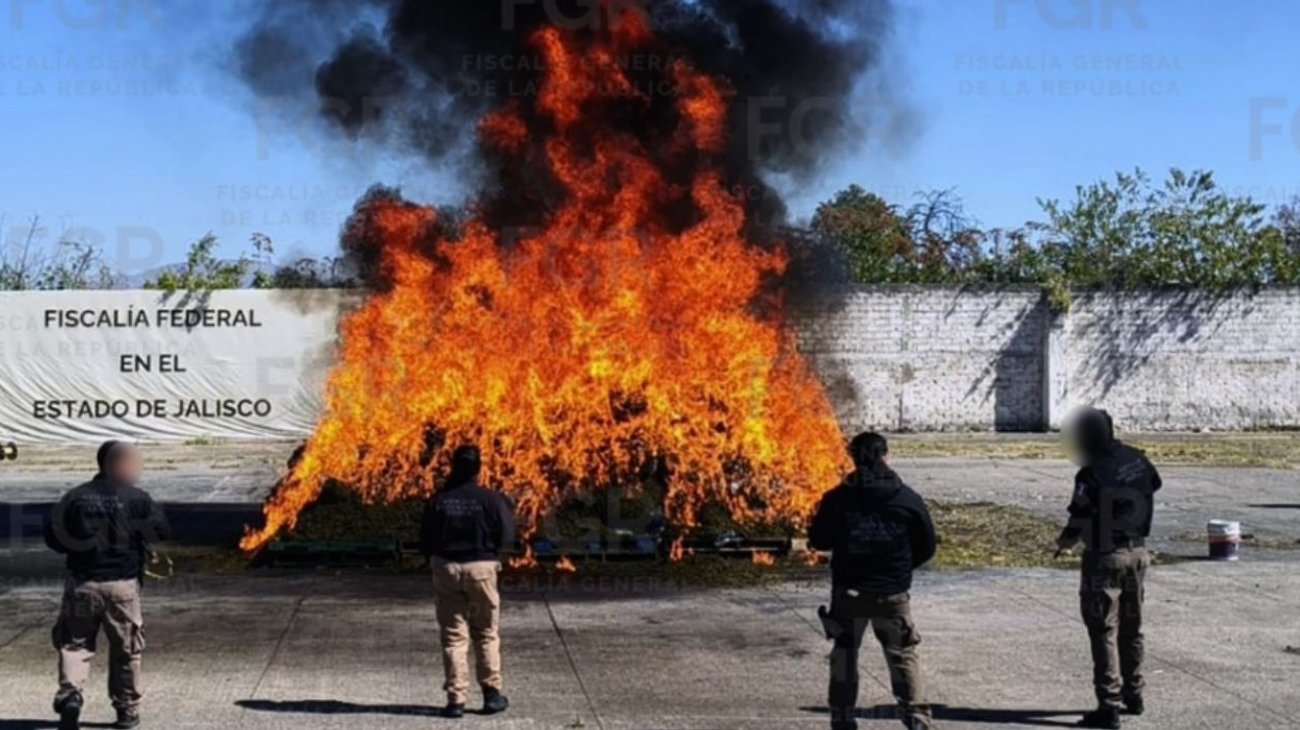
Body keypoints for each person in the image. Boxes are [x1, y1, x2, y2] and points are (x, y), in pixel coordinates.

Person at [809, 432, 938, 730]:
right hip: (892, 594)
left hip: (849, 593)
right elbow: (927, 545)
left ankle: (842, 721)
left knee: (844, 655)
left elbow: (818, 539)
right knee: (903, 655)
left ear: (853, 458)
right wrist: (899, 571)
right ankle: (917, 719)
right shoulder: (907, 498)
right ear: (885, 456)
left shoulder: (838, 498)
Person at [44, 440, 171, 730]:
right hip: (123, 587)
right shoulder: (138, 498)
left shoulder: (74, 497)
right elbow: (162, 531)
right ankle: (127, 711)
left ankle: (71, 695)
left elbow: (54, 539)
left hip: (82, 583)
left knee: (74, 644)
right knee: (126, 650)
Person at [1056, 407, 1162, 729]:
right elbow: (1154, 484)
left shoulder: (1091, 473)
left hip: (1105, 556)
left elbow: (1079, 516)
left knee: (1103, 629)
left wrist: (1064, 543)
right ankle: (1135, 693)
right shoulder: (1137, 459)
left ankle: (1109, 704)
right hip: (1138, 553)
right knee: (1132, 628)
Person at [418, 442, 516, 719]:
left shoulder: (439, 500)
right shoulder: (491, 499)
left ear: (453, 467)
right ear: (478, 469)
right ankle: (492, 695)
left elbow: (425, 538)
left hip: (446, 568)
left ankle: (456, 700)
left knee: (453, 636)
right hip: (482, 569)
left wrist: (434, 561)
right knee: (486, 632)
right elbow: (508, 535)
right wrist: (496, 559)